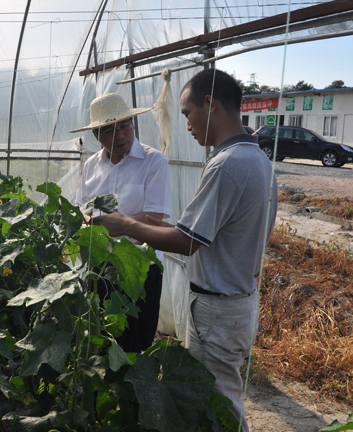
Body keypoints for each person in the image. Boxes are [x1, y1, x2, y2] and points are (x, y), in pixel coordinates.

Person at [94, 69, 278, 432]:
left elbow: (188, 242)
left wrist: (126, 225)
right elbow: (203, 234)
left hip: (217, 310)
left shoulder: (227, 165)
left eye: (186, 114)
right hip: (239, 299)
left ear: (210, 105)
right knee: (222, 401)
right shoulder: (258, 160)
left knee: (217, 408)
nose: (187, 126)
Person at [70, 92, 171, 353]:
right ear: (96, 136)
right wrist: (91, 222)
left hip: (139, 268)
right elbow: (80, 209)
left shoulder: (153, 162)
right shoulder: (91, 165)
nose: (120, 135)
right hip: (99, 266)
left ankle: (130, 393)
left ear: (132, 124)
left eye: (124, 125)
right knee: (101, 340)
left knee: (136, 342)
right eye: (109, 130)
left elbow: (154, 218)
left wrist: (106, 224)